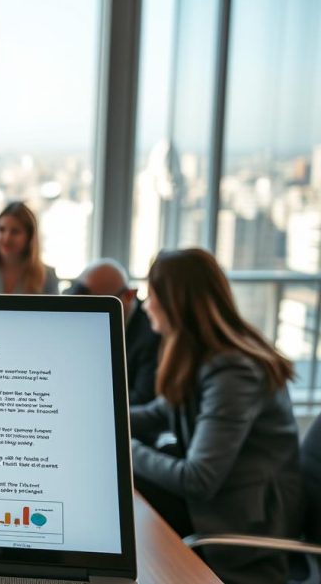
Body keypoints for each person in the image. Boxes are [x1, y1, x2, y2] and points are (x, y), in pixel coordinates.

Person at [130, 248, 301, 584]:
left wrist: (124, 447)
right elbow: (157, 413)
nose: (146, 305)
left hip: (239, 524)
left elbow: (199, 479)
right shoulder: (196, 352)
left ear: (176, 303)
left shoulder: (234, 371)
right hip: (220, 502)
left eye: (152, 296)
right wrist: (104, 416)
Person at [67, 258, 160, 405]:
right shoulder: (81, 327)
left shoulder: (153, 333)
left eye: (96, 306)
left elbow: (142, 399)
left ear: (129, 295)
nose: (88, 315)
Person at [0, 202, 58, 294]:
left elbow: (55, 309)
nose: (6, 238)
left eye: (15, 232)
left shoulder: (47, 276)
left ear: (29, 237)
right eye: (1, 229)